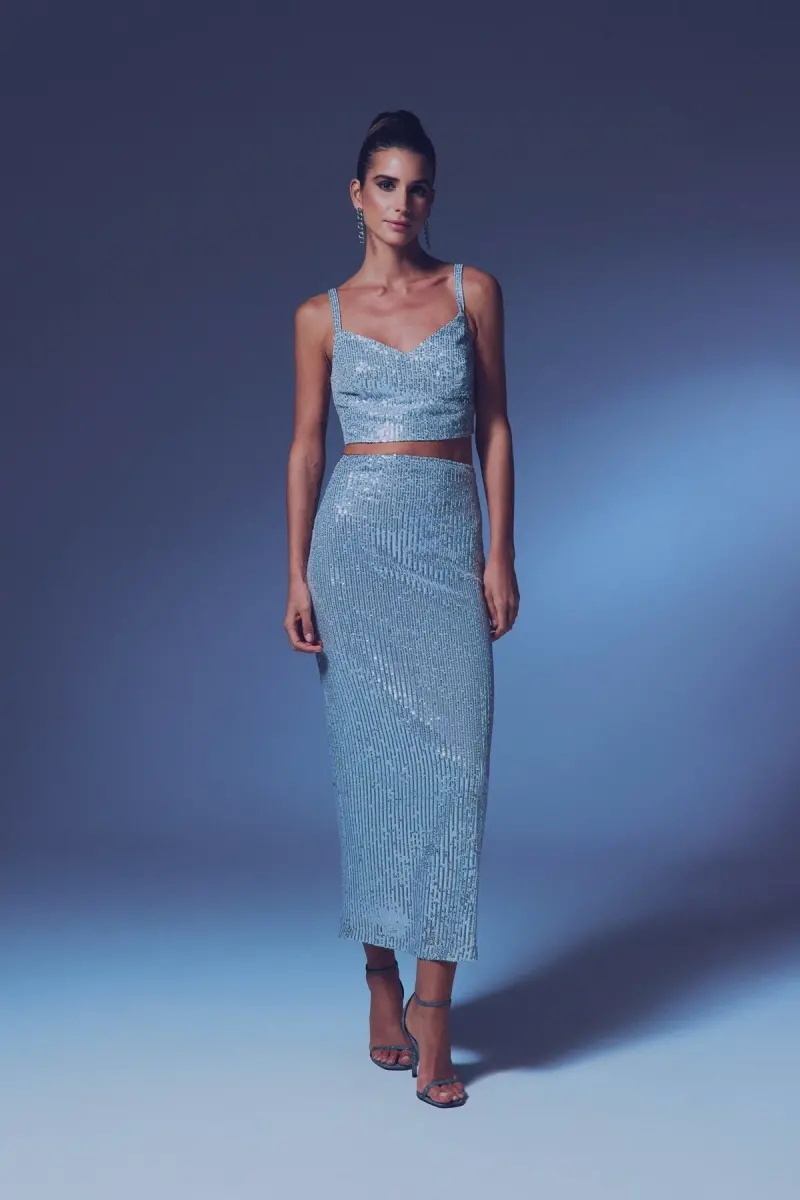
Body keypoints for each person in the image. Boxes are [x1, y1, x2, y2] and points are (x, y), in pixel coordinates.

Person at [284, 110, 519, 1109]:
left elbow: (495, 427)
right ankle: (384, 983)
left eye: (417, 186)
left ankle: (436, 1011)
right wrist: (296, 574)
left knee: (456, 776)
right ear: (357, 193)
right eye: (385, 183)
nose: (402, 201)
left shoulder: (472, 292)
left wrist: (500, 552)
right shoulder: (319, 315)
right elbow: (306, 447)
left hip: (445, 547)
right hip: (354, 553)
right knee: (372, 777)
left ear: (432, 196)